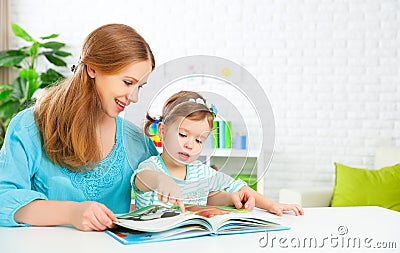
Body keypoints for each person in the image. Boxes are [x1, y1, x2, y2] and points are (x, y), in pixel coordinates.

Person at [0, 24, 158, 231]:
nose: (134, 97)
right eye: (128, 82)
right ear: (92, 68)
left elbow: (168, 184)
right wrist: (71, 213)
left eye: (140, 87)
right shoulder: (29, 127)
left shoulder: (136, 140)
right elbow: (4, 198)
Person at [132, 91, 304, 216]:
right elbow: (141, 179)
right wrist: (161, 180)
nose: (190, 144)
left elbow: (232, 189)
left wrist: (268, 204)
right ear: (162, 131)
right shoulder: (151, 168)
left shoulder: (201, 172)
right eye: (183, 135)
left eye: (199, 140)